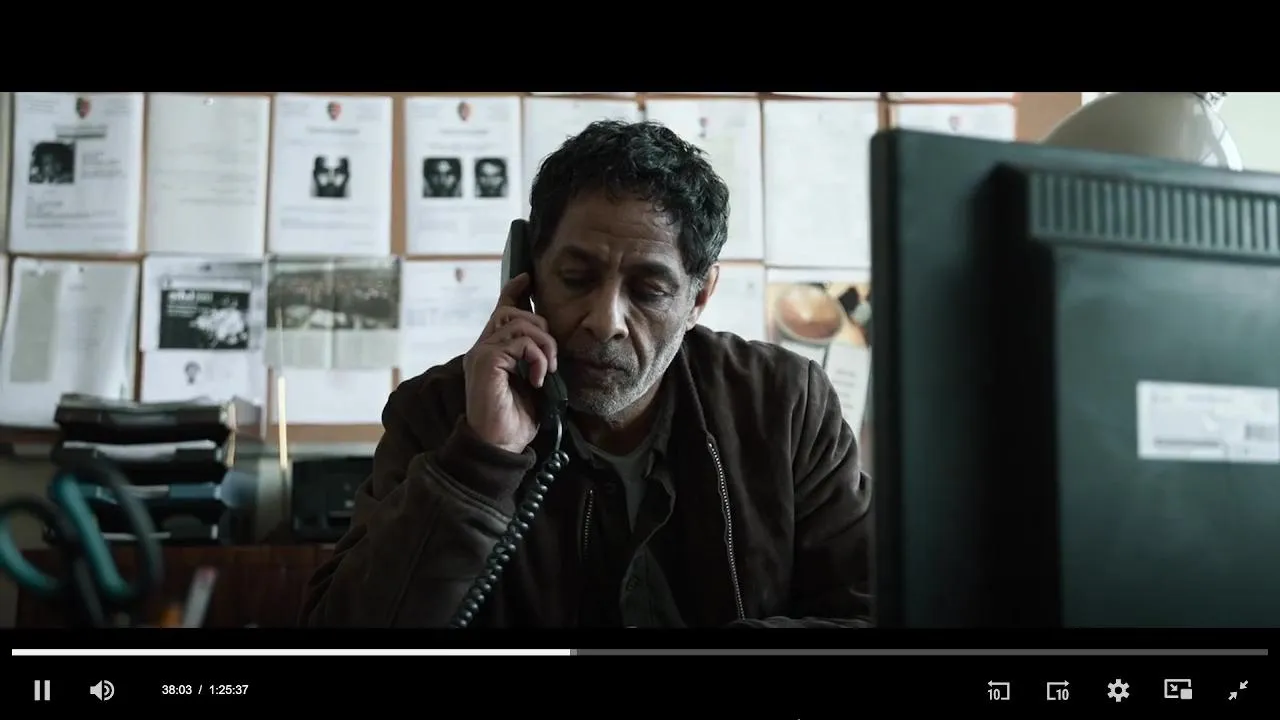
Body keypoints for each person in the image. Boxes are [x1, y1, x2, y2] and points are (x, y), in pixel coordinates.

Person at [302, 120, 873, 628]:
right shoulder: (437, 412)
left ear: (699, 297)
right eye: (576, 278)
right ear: (527, 272)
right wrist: (480, 461)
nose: (606, 322)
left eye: (649, 291)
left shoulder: (786, 405)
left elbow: (872, 612)